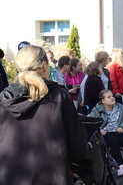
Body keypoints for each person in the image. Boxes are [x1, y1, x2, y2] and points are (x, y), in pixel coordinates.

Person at [0, 45, 92, 185]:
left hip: (10, 176)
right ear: (44, 66)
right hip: (52, 176)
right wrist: (87, 158)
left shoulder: (3, 98)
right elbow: (77, 144)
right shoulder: (59, 96)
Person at [89, 89, 123, 176]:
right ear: (103, 101)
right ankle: (120, 166)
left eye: (112, 96)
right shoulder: (96, 110)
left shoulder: (120, 108)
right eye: (108, 97)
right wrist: (99, 130)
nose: (112, 98)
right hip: (106, 133)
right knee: (113, 141)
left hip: (119, 130)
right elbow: (91, 122)